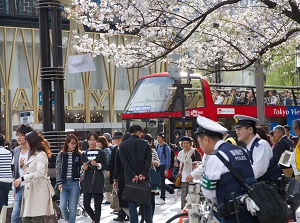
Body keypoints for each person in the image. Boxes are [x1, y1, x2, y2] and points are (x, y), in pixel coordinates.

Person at [187, 116, 260, 222]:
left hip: (233, 214)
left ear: (206, 139)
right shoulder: (240, 150)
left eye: (199, 142)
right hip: (252, 208)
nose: (200, 146)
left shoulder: (216, 157)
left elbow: (208, 192)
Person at [13, 131, 54, 223]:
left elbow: (39, 173)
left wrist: (22, 178)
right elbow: (31, 170)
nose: (27, 144)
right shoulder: (34, 154)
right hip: (31, 191)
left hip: (38, 191)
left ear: (32, 142)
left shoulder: (41, 155)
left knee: (36, 219)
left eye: (28, 142)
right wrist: (22, 166)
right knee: (25, 219)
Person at [233, 115, 282, 182]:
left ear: (250, 130)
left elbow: (257, 172)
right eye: (236, 130)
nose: (237, 132)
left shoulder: (261, 145)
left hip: (271, 188)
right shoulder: (250, 148)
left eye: (239, 129)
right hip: (264, 188)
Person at [119, 125, 152, 223]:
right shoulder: (145, 144)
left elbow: (125, 163)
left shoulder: (123, 145)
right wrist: (143, 173)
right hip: (144, 177)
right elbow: (148, 160)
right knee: (146, 201)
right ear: (138, 132)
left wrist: (133, 174)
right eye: (141, 132)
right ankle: (149, 221)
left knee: (132, 202)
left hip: (130, 178)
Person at [81, 132, 107, 223]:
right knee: (86, 204)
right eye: (90, 140)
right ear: (87, 141)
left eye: (94, 140)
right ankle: (94, 219)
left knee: (98, 205)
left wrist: (98, 164)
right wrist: (84, 168)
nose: (92, 142)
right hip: (87, 181)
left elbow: (105, 166)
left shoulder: (101, 152)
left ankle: (97, 221)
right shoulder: (84, 153)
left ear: (97, 141)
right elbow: (81, 168)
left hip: (98, 180)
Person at [56, 134, 82, 223]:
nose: (74, 145)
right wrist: (59, 182)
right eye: (72, 143)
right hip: (63, 182)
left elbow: (82, 168)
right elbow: (58, 168)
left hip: (74, 182)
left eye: (75, 143)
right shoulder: (61, 154)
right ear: (67, 143)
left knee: (73, 208)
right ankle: (68, 220)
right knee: (62, 206)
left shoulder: (79, 155)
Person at [11, 124, 33, 223]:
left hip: (32, 187)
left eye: (21, 135)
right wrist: (15, 190)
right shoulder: (16, 150)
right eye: (17, 135)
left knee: (29, 216)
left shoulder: (33, 151)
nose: (18, 137)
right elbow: (15, 172)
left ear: (27, 136)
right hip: (20, 187)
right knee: (15, 216)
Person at [140, 134, 160, 223]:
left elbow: (158, 163)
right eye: (148, 142)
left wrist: (152, 161)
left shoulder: (153, 151)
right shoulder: (139, 151)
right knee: (142, 199)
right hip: (142, 176)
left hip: (151, 175)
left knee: (151, 198)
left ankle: (150, 218)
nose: (150, 144)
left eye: (151, 142)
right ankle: (143, 217)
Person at [177, 136, 201, 210]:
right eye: (184, 143)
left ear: (190, 144)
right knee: (184, 195)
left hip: (194, 177)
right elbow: (180, 164)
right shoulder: (180, 153)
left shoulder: (194, 152)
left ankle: (193, 210)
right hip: (184, 176)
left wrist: (195, 163)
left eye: (187, 143)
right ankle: (184, 210)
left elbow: (200, 162)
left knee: (193, 195)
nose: (185, 145)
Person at [113, 132, 130, 222]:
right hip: (133, 177)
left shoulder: (121, 150)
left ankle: (129, 215)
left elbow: (117, 166)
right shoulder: (133, 150)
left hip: (123, 177)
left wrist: (115, 178)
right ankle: (127, 215)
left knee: (123, 197)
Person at [156, 132, 174, 205]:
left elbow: (168, 159)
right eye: (157, 137)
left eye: (159, 137)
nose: (158, 138)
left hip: (163, 166)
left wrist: (167, 169)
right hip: (158, 165)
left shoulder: (166, 147)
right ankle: (170, 190)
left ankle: (162, 197)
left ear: (163, 138)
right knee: (158, 182)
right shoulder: (158, 146)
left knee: (162, 182)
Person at [97, 136, 112, 205]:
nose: (97, 143)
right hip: (102, 171)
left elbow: (107, 161)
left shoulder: (106, 150)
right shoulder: (100, 150)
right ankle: (110, 200)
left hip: (106, 171)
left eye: (98, 142)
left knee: (108, 186)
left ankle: (112, 201)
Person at [0, 134, 13, 213]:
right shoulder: (8, 152)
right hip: (8, 180)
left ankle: (3, 217)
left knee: (1, 203)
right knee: (5, 200)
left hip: (0, 179)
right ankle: (5, 217)